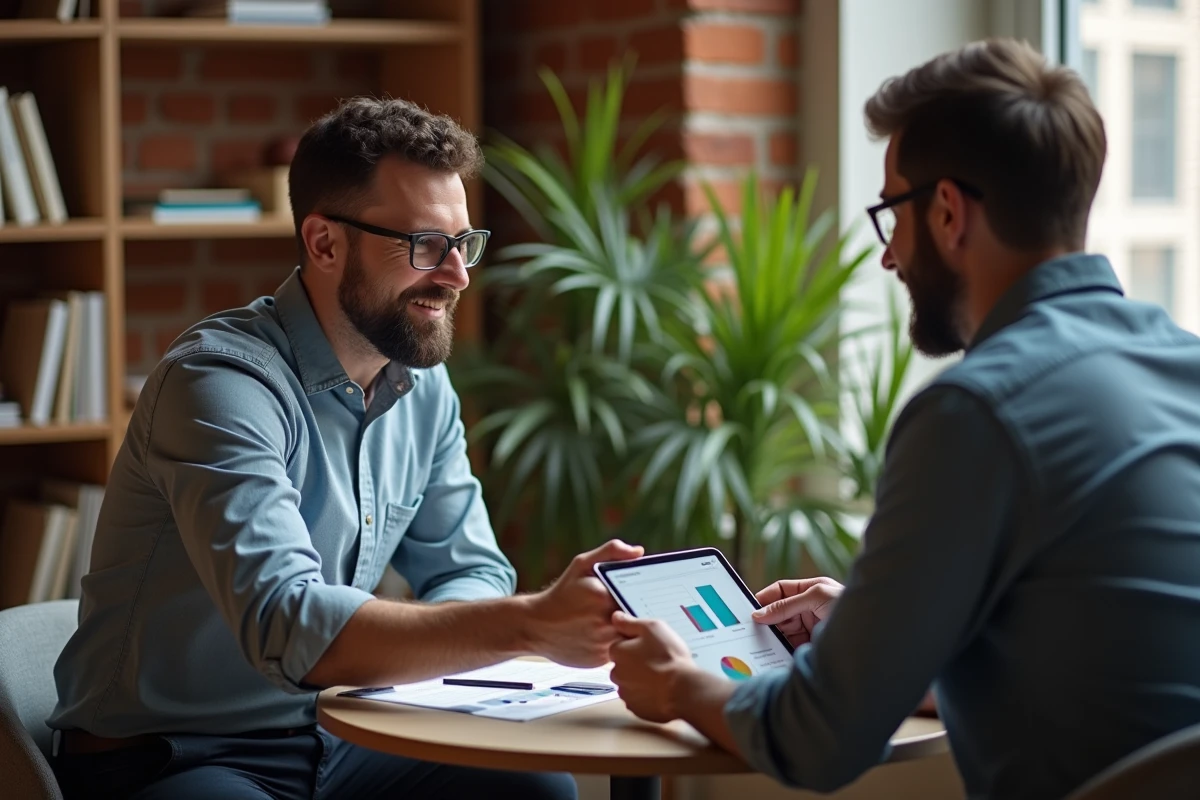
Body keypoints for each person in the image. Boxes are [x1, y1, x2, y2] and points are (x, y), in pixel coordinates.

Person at [607, 37, 1200, 800]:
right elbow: (1097, 663)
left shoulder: (976, 412)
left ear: (948, 212)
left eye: (891, 212)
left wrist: (678, 682)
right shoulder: (1182, 362)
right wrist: (876, 633)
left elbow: (817, 742)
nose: (887, 258)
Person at [48, 96, 642, 800]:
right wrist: (528, 626)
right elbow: (287, 624)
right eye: (426, 245)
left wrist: (491, 634)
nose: (458, 275)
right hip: (175, 754)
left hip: (340, 730)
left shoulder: (422, 387)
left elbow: (472, 570)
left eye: (464, 242)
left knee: (539, 789)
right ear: (325, 243)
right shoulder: (217, 383)